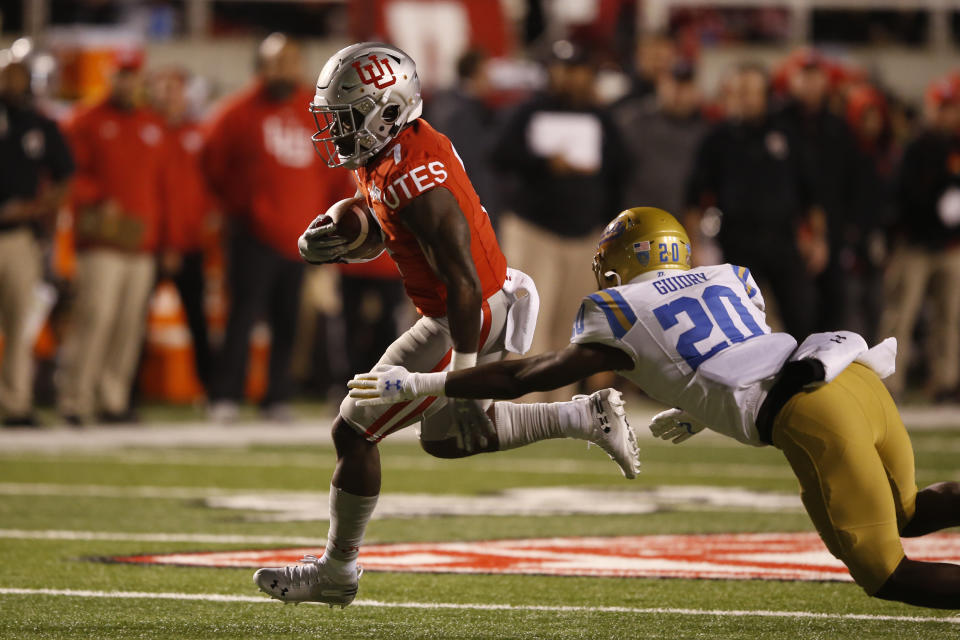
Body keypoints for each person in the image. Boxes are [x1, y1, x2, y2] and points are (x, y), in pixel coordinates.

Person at [350, 206, 960, 610]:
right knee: (906, 511)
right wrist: (697, 409)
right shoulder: (729, 274)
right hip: (851, 373)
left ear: (625, 259)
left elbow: (525, 375)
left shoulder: (615, 310)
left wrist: (421, 387)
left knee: (886, 573)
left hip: (814, 411)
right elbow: (744, 350)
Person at [252, 42, 639, 607]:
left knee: (354, 429)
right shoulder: (390, 152)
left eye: (347, 116)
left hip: (468, 313)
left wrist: (460, 381)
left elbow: (458, 278)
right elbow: (401, 236)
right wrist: (349, 242)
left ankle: (337, 572)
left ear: (386, 110)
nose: (336, 130)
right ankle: (583, 414)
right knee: (446, 442)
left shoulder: (417, 174)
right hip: (465, 304)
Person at [201, 33, 356, 421]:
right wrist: (244, 209)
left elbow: (337, 174)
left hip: (304, 237)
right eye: (277, 61)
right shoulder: (235, 113)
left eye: (291, 61)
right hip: (252, 235)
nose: (285, 69)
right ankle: (226, 395)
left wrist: (331, 223)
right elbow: (211, 167)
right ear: (261, 66)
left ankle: (276, 397)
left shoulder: (318, 111)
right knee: (242, 318)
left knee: (290, 322)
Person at [492, 40, 626, 401]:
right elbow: (500, 155)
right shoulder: (530, 111)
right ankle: (525, 405)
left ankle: (559, 407)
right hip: (535, 230)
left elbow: (621, 171)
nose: (569, 77)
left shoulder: (601, 118)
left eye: (577, 69)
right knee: (531, 322)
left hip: (584, 234)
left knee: (573, 326)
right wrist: (544, 163)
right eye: (563, 68)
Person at [58, 54, 166, 425]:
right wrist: (96, 200)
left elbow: (161, 187)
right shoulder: (85, 120)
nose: (127, 83)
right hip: (100, 242)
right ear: (110, 77)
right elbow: (68, 175)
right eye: (122, 75)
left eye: (133, 75)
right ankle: (75, 399)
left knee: (129, 324)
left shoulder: (150, 124)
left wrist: (166, 237)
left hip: (142, 243)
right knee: (95, 317)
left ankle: (113, 399)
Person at [685, 63, 826, 339]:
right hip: (737, 243)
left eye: (750, 91)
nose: (743, 98)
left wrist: (819, 239)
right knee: (739, 322)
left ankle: (802, 378)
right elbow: (694, 198)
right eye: (737, 92)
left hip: (784, 241)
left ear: (765, 95)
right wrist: (695, 246)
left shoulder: (787, 135)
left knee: (801, 316)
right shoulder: (717, 139)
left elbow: (811, 194)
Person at [0, 55, 73, 427]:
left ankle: (15, 404)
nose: (11, 83)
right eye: (6, 75)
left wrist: (39, 208)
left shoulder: (40, 124)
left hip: (18, 238)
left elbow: (65, 175)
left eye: (17, 76)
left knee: (19, 325)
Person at [878, 78, 960, 402]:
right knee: (901, 316)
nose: (947, 114)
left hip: (951, 247)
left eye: (952, 107)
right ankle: (888, 383)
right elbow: (902, 196)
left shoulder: (956, 146)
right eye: (943, 107)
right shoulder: (915, 146)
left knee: (949, 318)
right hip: (914, 245)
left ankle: (946, 381)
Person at [151, 66, 217, 392]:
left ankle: (210, 389)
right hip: (150, 243)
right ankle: (127, 395)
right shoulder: (145, 131)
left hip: (190, 243)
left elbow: (212, 185)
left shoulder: (199, 134)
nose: (169, 96)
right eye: (163, 89)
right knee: (133, 322)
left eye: (174, 89)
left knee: (198, 320)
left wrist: (206, 220)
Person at [611, 60, 707, 215]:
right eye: (673, 84)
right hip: (634, 220)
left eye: (686, 86)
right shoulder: (632, 120)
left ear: (697, 91)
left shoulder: (704, 132)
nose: (678, 93)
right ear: (660, 85)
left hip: (678, 224)